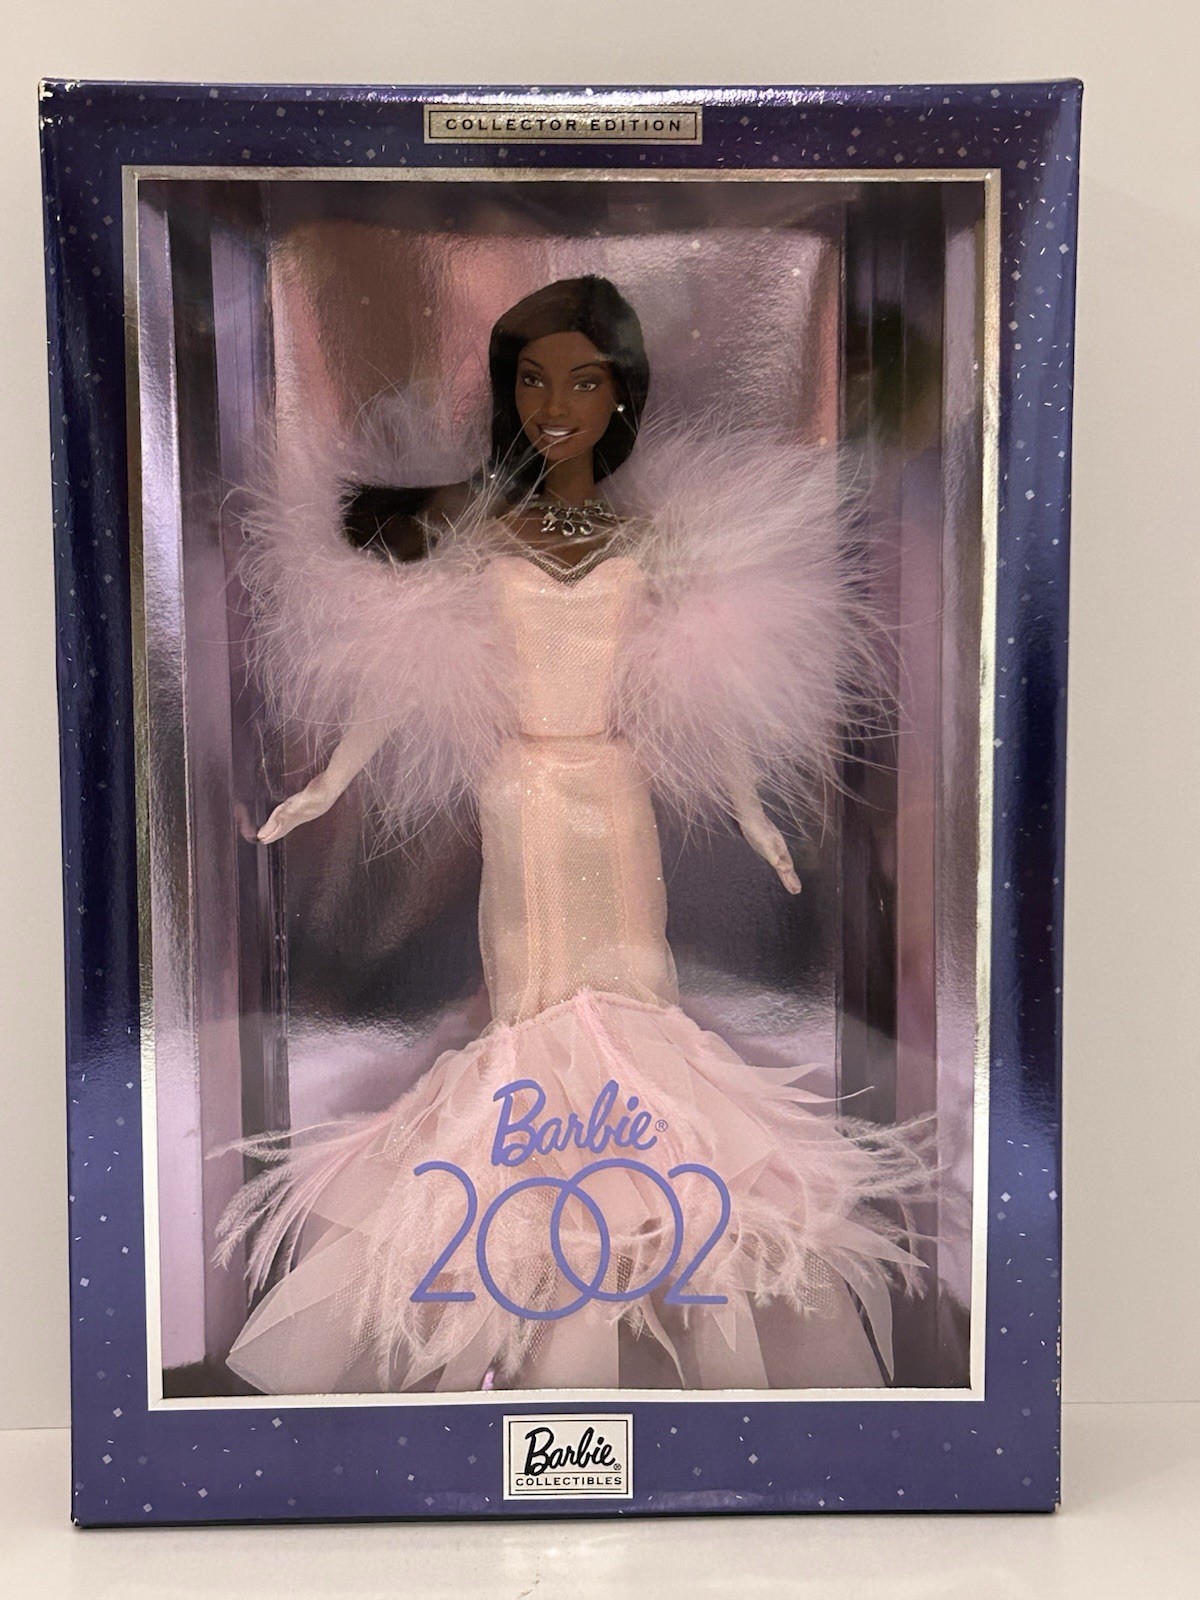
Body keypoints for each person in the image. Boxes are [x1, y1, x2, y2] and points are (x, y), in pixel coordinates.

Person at [214, 275, 931, 1394]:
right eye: (535, 381)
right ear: (510, 392)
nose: (558, 404)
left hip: (614, 787)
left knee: (637, 994)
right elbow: (407, 674)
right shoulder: (479, 533)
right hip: (523, 797)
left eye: (584, 381)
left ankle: (653, 1254)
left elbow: (697, 681)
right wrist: (324, 789)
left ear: (620, 394)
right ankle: (534, 1257)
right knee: (535, 1006)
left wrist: (755, 815)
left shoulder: (650, 539)